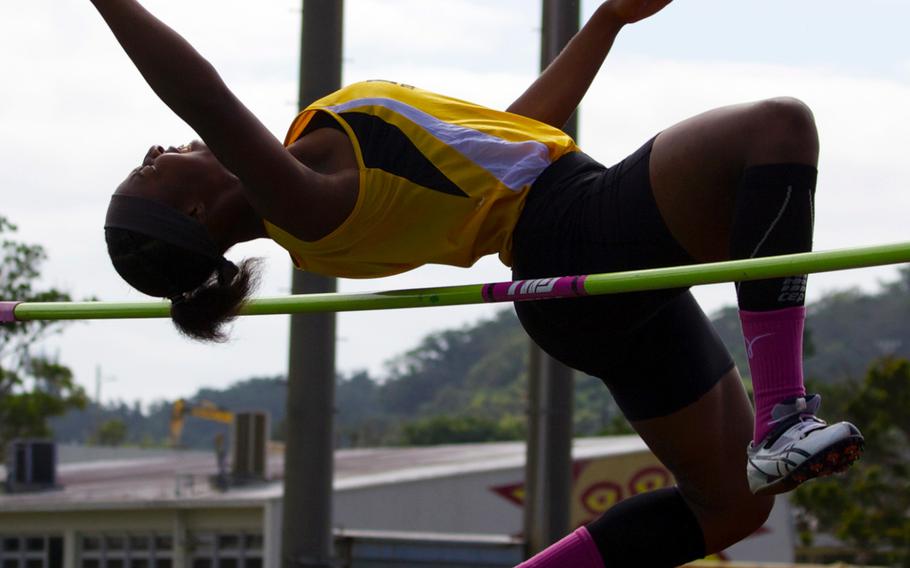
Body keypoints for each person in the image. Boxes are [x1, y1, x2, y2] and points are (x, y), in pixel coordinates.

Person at [92, 0, 863, 565]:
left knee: (730, 506)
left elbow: (512, 138)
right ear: (195, 209)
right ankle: (784, 416)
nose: (160, 146)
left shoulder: (311, 157)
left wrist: (605, 24)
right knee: (777, 129)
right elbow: (198, 92)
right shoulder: (300, 204)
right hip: (575, 231)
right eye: (151, 165)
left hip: (571, 273)